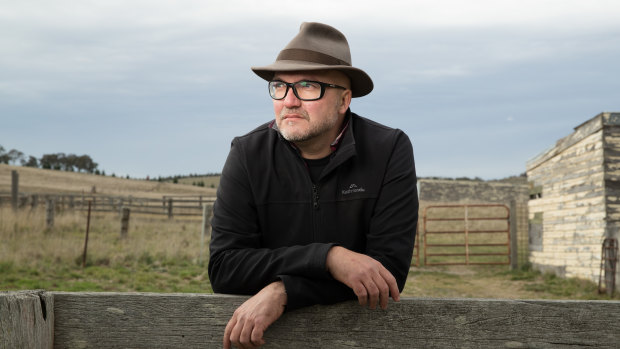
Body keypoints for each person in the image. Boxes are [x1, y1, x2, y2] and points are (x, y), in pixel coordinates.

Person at [208, 22, 418, 349]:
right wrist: (329, 258)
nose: (289, 101)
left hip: (359, 339)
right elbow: (225, 268)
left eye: (307, 86)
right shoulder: (248, 154)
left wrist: (285, 291)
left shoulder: (388, 150)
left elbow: (386, 275)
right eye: (279, 86)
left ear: (344, 99)